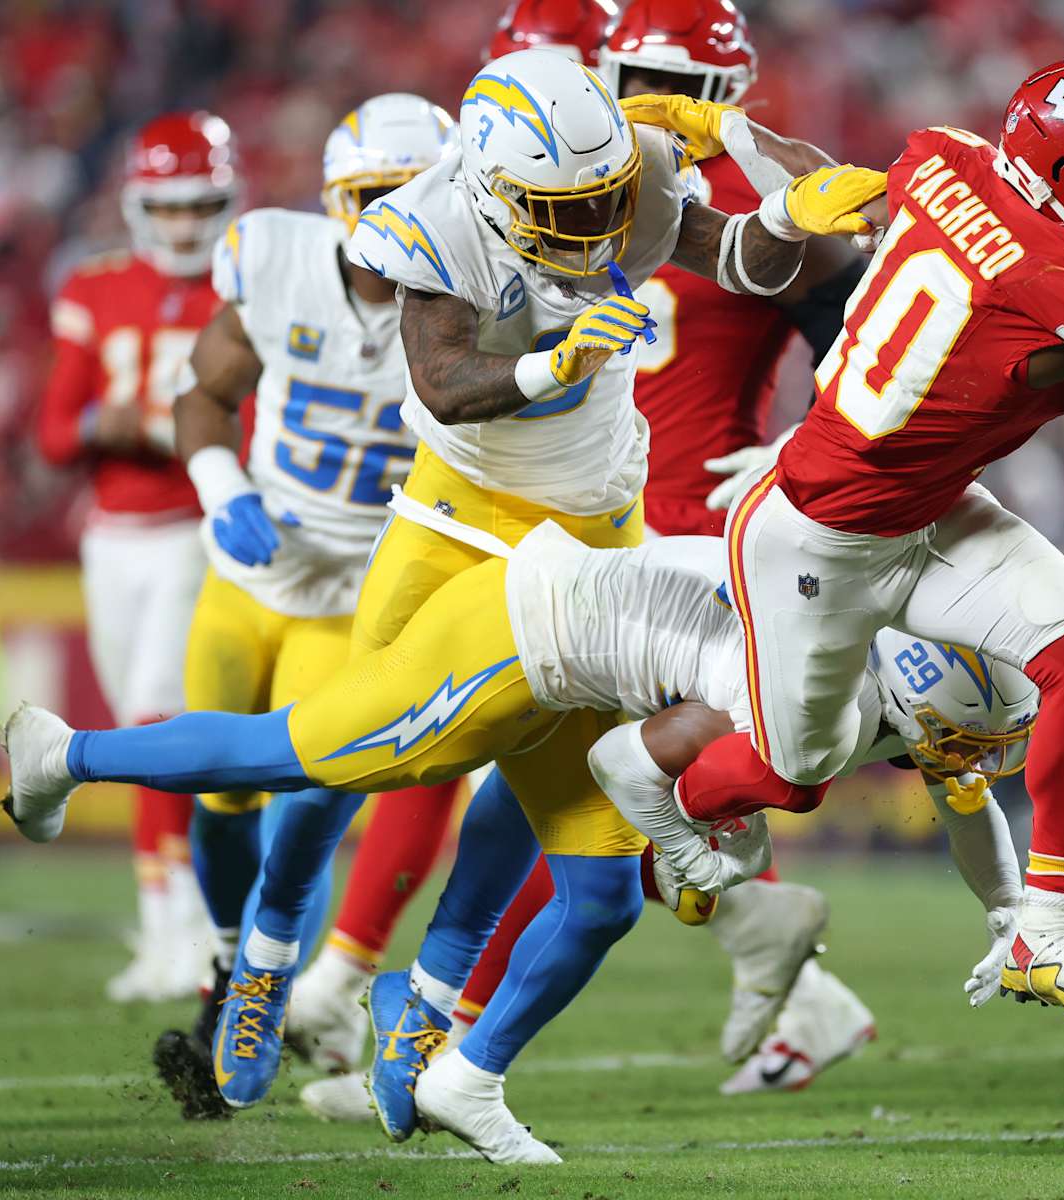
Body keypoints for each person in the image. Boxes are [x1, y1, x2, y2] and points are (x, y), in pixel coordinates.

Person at [0, 518, 1038, 1162]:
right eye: (981, 735)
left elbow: (960, 798)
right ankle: (69, 754)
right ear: (930, 693)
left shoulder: (892, 666)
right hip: (523, 640)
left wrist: (1017, 916)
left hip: (591, 669)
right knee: (299, 752)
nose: (982, 760)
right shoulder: (825, 705)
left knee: (597, 901)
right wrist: (690, 851)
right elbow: (631, 767)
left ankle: (464, 1068)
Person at [291, 0, 878, 1116]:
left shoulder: (734, 191)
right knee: (538, 774)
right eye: (661, 77)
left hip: (683, 539)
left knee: (551, 783)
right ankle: (764, 945)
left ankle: (409, 1025)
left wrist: (801, 454)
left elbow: (870, 340)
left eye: (710, 87)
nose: (689, 106)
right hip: (580, 522)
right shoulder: (580, 171)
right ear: (610, 66)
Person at [696, 56, 1064, 1026]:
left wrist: (729, 135)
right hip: (815, 539)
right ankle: (677, 811)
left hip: (925, 506)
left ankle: (1040, 935)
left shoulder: (951, 156)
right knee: (787, 779)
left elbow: (833, 184)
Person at [146, 93, 459, 1118]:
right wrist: (220, 486)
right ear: (336, 197)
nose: (392, 218)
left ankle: (260, 992)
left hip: (358, 599)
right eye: (374, 197)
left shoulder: (473, 292)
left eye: (413, 195)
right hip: (248, 580)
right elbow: (204, 391)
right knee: (221, 798)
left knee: (314, 804)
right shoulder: (274, 260)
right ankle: (231, 969)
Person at [35, 111, 239, 1004]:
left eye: (203, 205)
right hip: (110, 537)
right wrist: (97, 425)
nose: (188, 226)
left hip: (194, 531)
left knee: (158, 720)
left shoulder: (243, 289)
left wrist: (158, 431)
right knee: (134, 732)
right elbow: (51, 433)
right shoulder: (94, 286)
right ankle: (164, 926)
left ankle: (184, 933)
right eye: (172, 206)